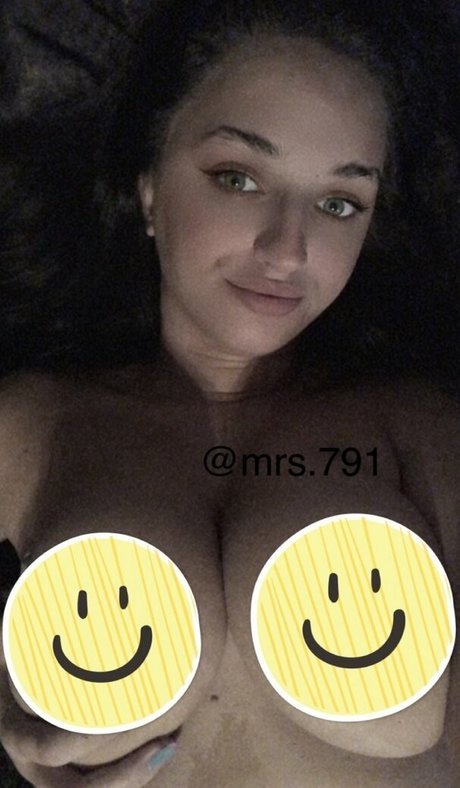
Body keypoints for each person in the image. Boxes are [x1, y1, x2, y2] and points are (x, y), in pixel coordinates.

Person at [0, 0, 458, 785]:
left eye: (339, 202)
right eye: (238, 179)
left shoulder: (419, 426)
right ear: (148, 186)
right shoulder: (32, 422)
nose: (287, 249)